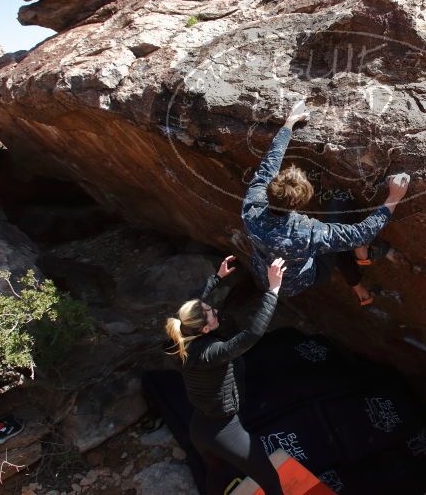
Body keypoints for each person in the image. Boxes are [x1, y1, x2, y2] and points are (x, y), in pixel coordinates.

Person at [242, 100, 410, 303]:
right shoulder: (308, 233)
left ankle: (360, 271)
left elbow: (270, 163)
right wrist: (394, 197)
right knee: (339, 219)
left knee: (332, 239)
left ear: (269, 189)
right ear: (299, 204)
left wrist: (288, 124)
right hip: (304, 279)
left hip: (266, 274)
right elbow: (361, 233)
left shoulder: (251, 208)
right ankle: (362, 257)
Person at [165, 255, 287, 495]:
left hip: (199, 428)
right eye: (212, 313)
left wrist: (217, 278)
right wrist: (273, 290)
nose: (216, 310)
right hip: (224, 430)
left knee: (217, 473)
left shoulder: (178, 336)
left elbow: (193, 303)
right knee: (271, 481)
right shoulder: (210, 353)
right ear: (206, 329)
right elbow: (252, 334)